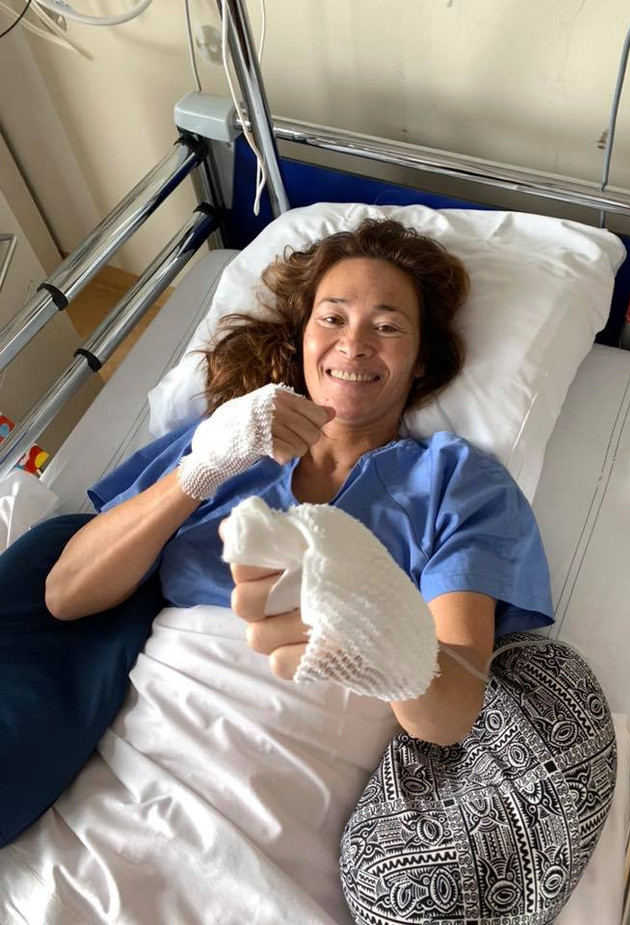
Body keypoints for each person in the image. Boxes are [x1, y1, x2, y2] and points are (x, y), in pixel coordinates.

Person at [0, 218, 564, 923]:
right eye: (333, 317)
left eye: (388, 326)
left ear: (421, 361)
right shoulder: (222, 440)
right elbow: (65, 593)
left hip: (280, 820)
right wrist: (201, 470)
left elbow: (449, 715)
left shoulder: (458, 482)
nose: (354, 342)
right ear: (303, 338)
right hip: (121, 785)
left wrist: (387, 644)